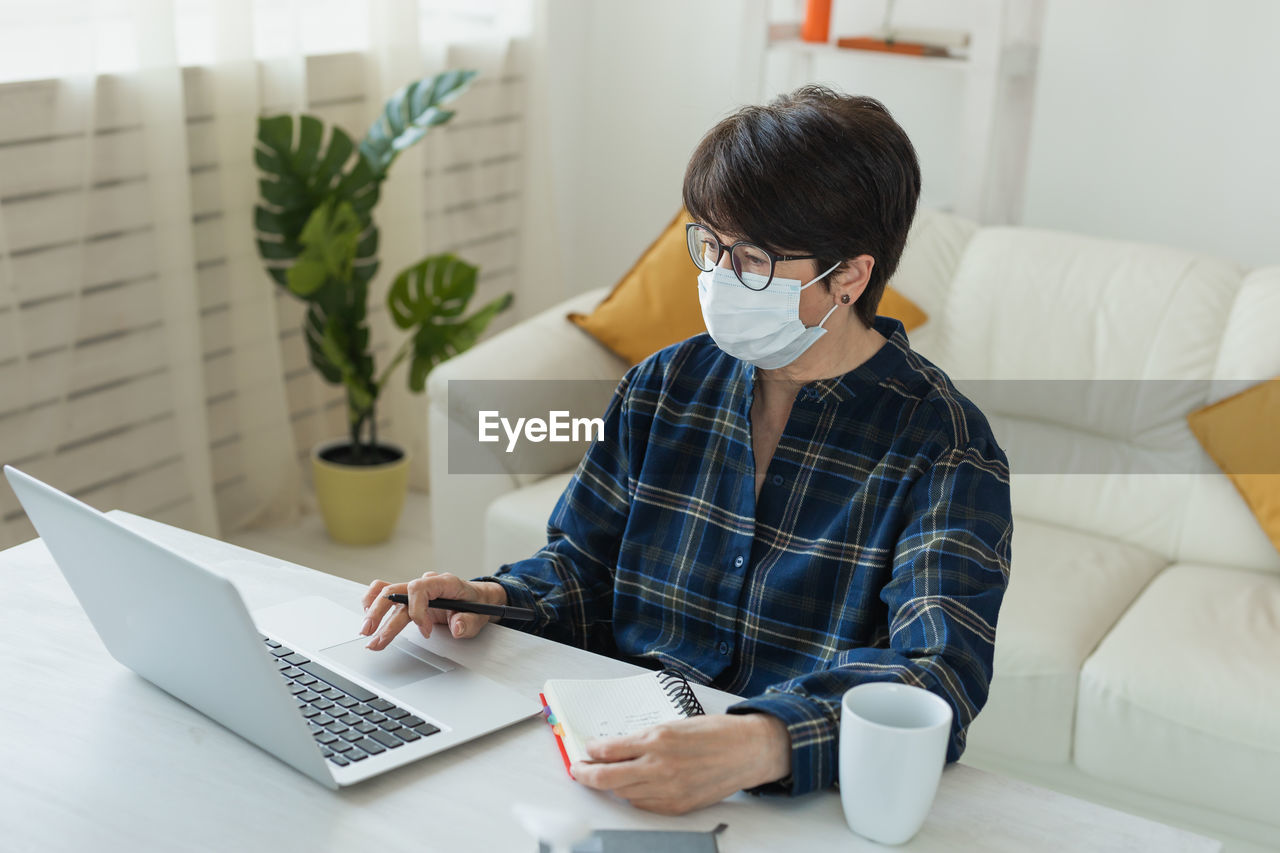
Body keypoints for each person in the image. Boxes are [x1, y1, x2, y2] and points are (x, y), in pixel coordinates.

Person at [358, 85, 1012, 816]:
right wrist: (497, 597)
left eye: (756, 260)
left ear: (850, 277)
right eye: (712, 246)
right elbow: (585, 567)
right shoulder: (664, 384)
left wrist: (763, 739)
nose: (722, 279)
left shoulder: (946, 446)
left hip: (793, 800)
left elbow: (937, 673)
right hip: (609, 759)